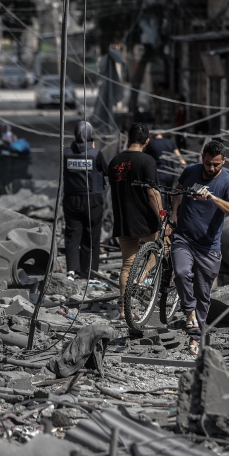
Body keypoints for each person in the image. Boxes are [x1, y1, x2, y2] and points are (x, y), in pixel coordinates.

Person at [169, 140, 229, 355]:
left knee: (204, 296)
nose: (210, 168)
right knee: (181, 273)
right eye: (208, 163)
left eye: (216, 165)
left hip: (209, 247)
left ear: (223, 161)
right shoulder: (191, 170)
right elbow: (179, 189)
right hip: (184, 238)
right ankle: (188, 313)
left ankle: (195, 338)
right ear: (202, 158)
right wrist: (174, 212)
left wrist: (212, 197)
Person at [108, 123, 162, 319]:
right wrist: (161, 215)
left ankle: (124, 310)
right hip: (146, 220)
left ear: (127, 139)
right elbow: (152, 193)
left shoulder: (114, 162)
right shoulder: (147, 161)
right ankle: (143, 276)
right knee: (162, 247)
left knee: (126, 265)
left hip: (123, 220)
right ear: (147, 141)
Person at [63, 121, 109, 281]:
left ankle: (72, 270)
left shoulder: (66, 153)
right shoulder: (96, 153)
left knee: (72, 235)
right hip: (93, 201)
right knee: (92, 237)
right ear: (90, 136)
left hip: (70, 200)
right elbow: (106, 170)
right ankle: (89, 272)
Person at [143, 133, 187, 201]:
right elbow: (180, 157)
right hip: (170, 174)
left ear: (153, 134)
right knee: (168, 194)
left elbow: (145, 158)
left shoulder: (151, 143)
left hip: (158, 174)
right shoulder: (170, 142)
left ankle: (162, 210)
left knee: (160, 195)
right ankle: (167, 210)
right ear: (162, 133)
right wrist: (186, 169)